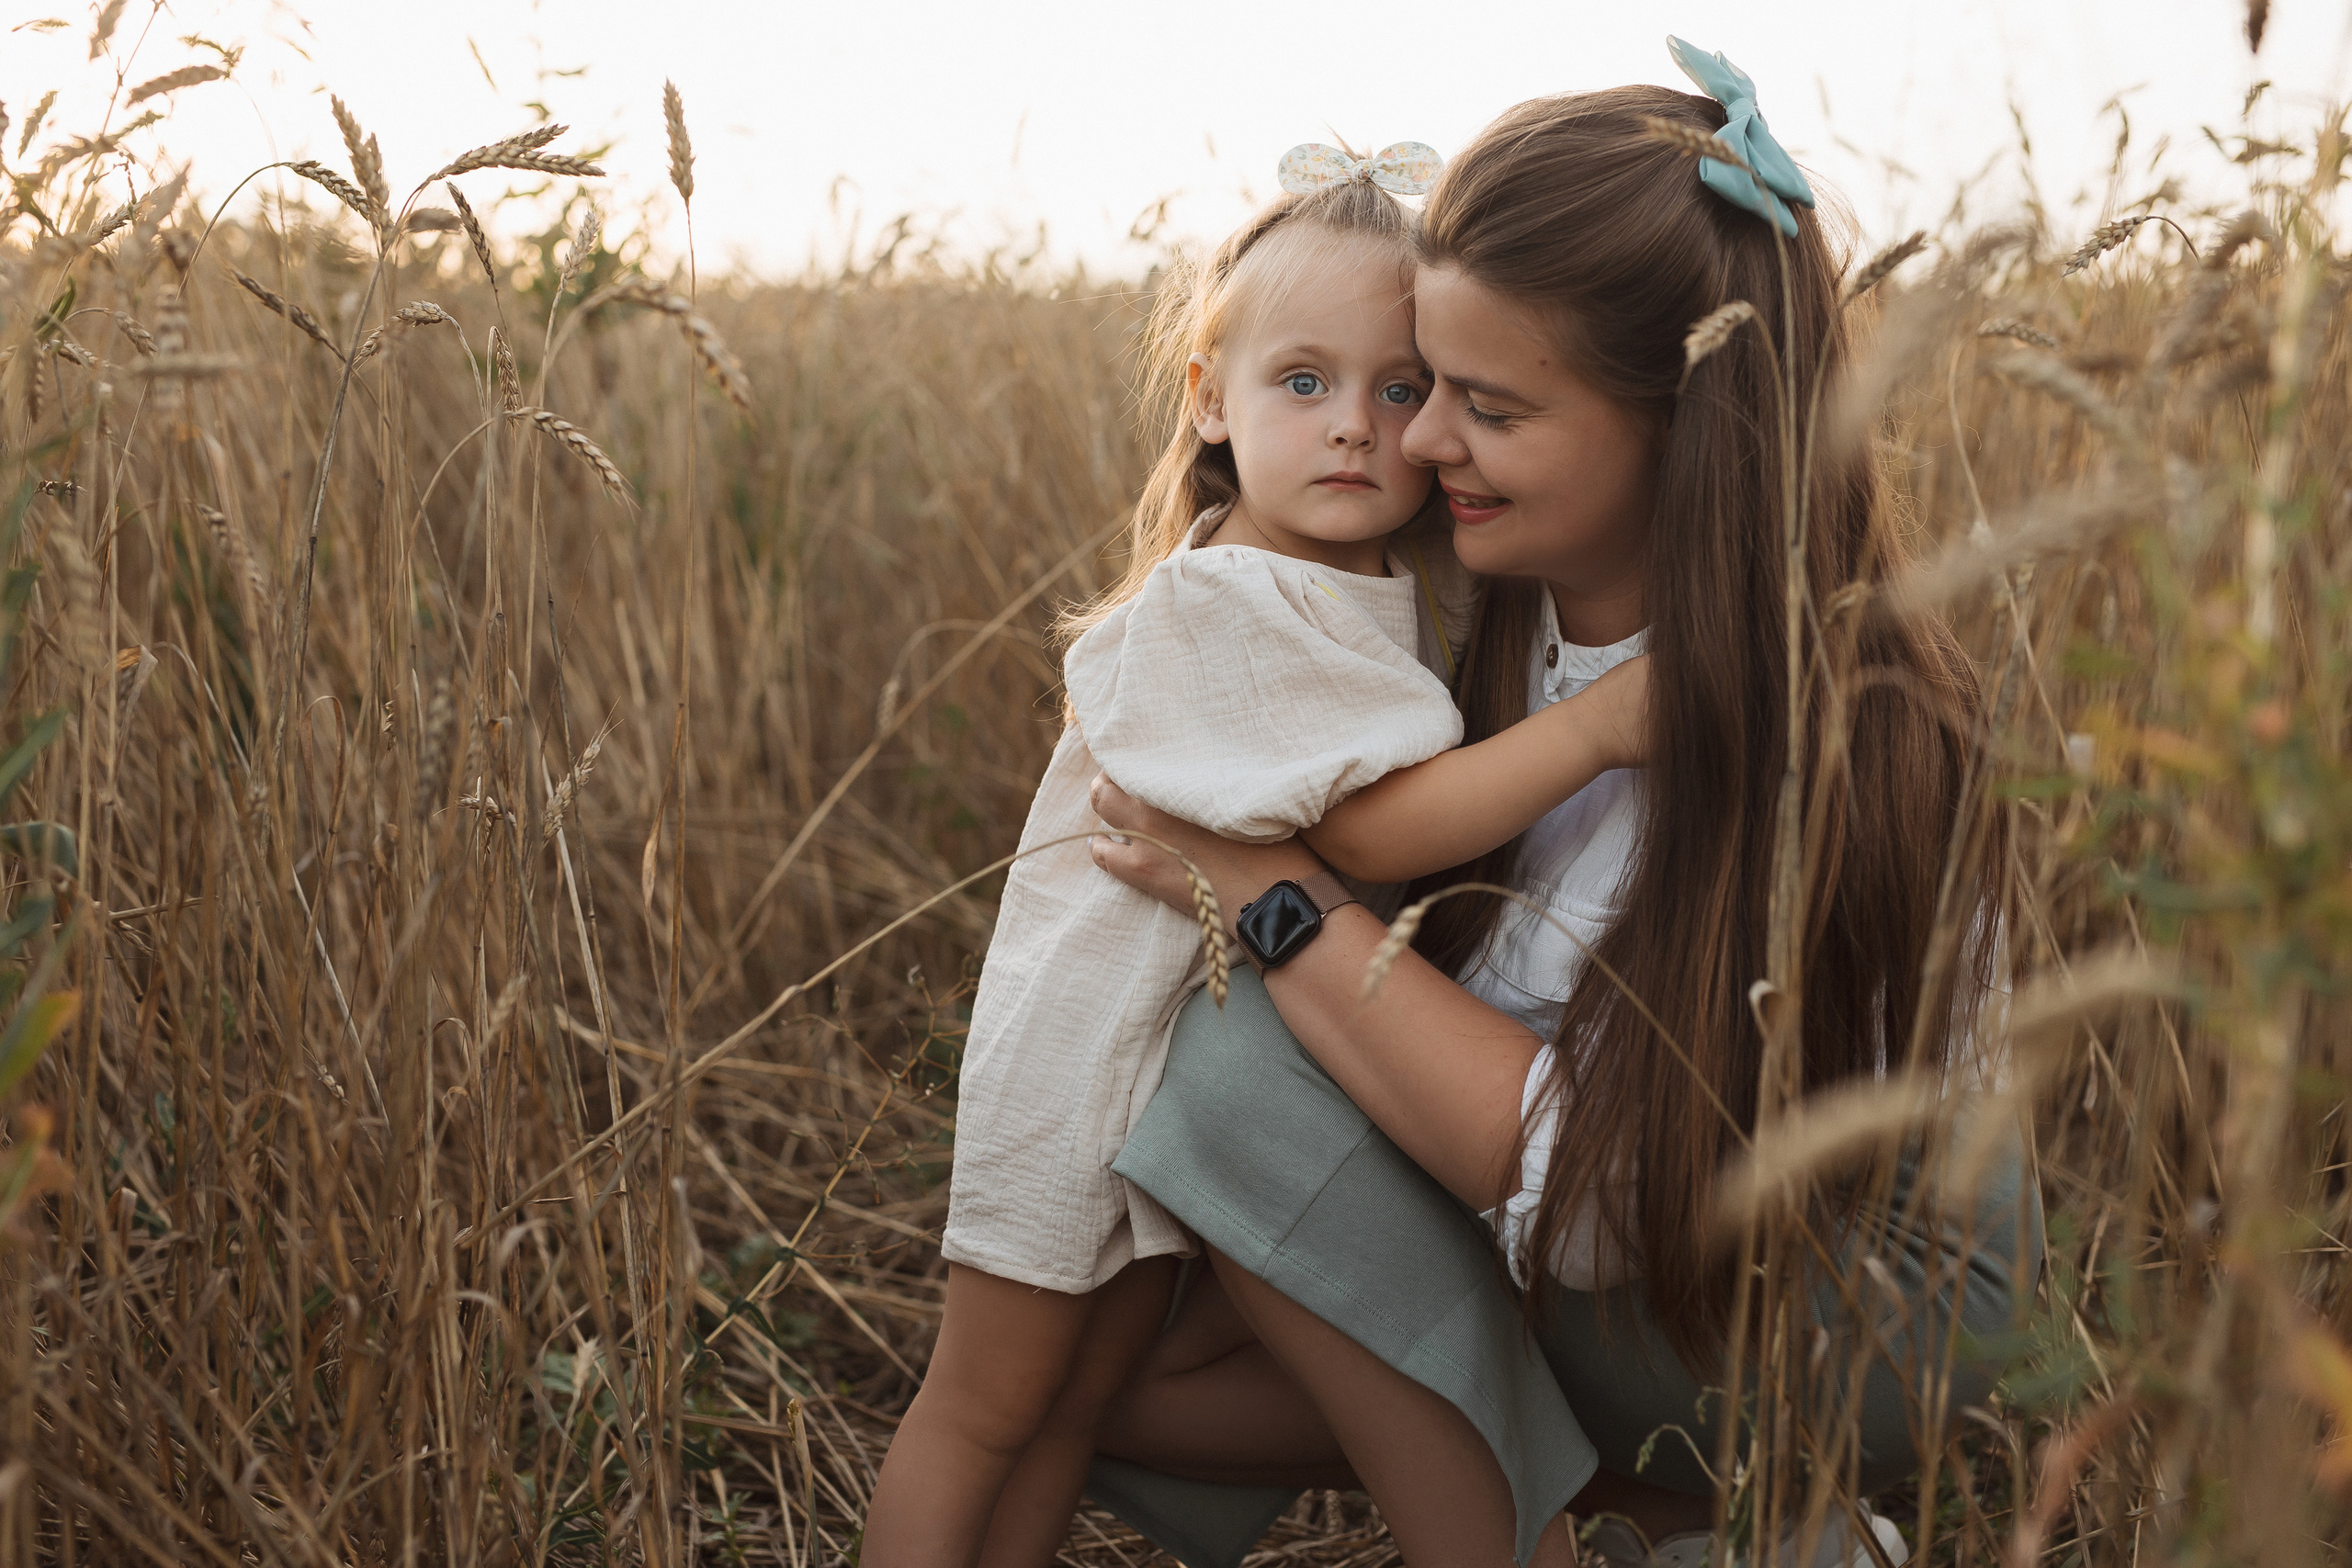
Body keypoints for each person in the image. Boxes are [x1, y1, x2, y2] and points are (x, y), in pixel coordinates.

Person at [1080, 41, 2041, 1568]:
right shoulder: (1502, 608)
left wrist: (1271, 896)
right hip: (1598, 1185)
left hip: (1849, 1298)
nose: (1415, 441)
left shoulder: (1814, 718)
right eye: (1422, 382)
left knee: (1239, 1081)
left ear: (1683, 432)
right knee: (1102, 1370)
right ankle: (1661, 1513)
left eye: (1486, 406)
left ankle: (1613, 1505)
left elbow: (1600, 1202)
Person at [860, 142, 1652, 1568]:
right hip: (1083, 1069)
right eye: (1304, 383)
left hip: (1184, 1076)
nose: (1357, 427)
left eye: (1399, 389)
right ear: (1209, 401)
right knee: (986, 1406)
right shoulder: (1233, 597)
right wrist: (1592, 730)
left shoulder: (1365, 587)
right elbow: (1364, 830)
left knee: (1068, 1405)